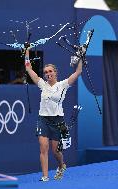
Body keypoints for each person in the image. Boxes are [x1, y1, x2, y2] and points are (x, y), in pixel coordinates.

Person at [25, 48, 83, 182]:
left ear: (55, 73)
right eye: (45, 72)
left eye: (50, 71)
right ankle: (45, 176)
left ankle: (61, 165)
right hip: (43, 119)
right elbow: (28, 69)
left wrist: (80, 57)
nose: (47, 73)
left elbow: (78, 71)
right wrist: (27, 52)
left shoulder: (63, 84)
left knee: (56, 151)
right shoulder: (42, 84)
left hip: (57, 120)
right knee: (43, 147)